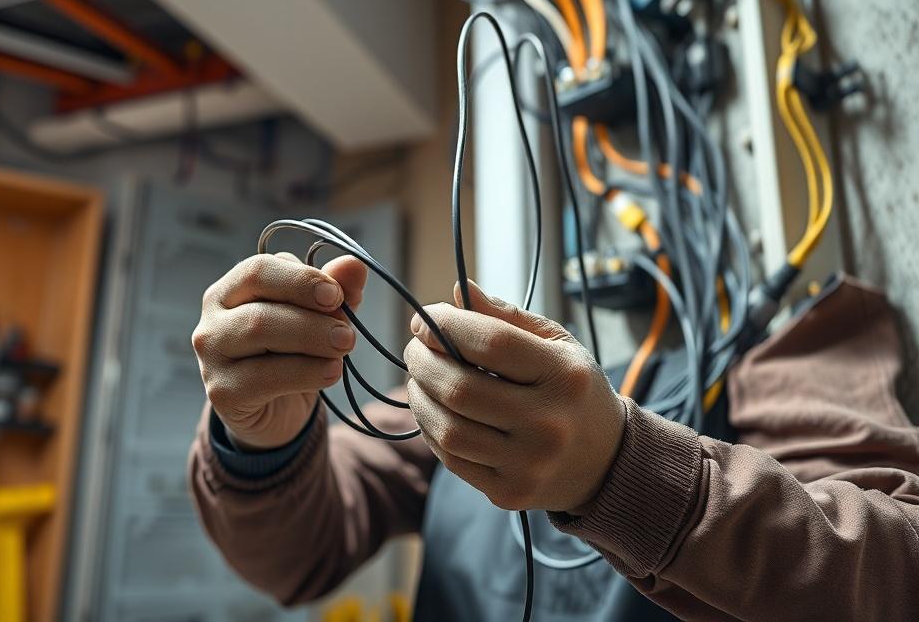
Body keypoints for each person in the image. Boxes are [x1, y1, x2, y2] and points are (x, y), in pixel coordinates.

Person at [188, 251, 919, 621]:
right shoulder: (797, 372)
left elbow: (297, 556)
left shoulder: (424, 437)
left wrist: (259, 445)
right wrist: (625, 475)